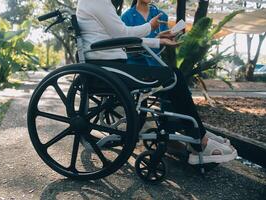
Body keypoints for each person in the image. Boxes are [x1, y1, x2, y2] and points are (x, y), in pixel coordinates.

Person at [76, 0, 237, 164]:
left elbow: (123, 38)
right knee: (173, 76)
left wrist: (159, 41)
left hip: (110, 65)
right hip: (110, 68)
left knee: (173, 76)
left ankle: (197, 133)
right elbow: (122, 34)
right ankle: (199, 139)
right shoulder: (97, 1)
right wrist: (150, 27)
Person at [121, 0, 169, 66]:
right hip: (134, 66)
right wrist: (156, 40)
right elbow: (128, 48)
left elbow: (164, 47)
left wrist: (170, 38)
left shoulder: (162, 16)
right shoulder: (126, 17)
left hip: (157, 65)